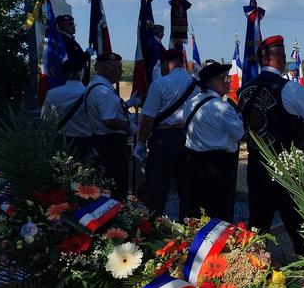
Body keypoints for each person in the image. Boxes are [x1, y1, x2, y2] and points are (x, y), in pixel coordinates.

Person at [238, 35, 304, 256]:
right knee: (298, 224)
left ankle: (254, 272)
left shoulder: (243, 91)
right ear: (278, 58)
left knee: (257, 227)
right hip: (288, 170)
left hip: (257, 168)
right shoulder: (291, 89)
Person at [135, 47, 198, 219]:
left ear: (166, 64)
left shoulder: (160, 84)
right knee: (187, 187)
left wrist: (140, 143)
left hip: (163, 138)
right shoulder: (194, 84)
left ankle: (152, 224)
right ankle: (189, 226)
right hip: (188, 137)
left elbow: (148, 118)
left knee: (157, 185)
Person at [181, 62, 244, 221]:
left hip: (193, 163)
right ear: (209, 82)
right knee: (219, 213)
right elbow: (239, 133)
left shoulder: (191, 102)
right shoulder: (222, 107)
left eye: (227, 77)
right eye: (222, 78)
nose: (228, 81)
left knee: (195, 210)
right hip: (218, 165)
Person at [85, 52, 134, 199]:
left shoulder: (96, 86)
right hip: (111, 144)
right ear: (106, 69)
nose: (121, 71)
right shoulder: (104, 91)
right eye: (118, 68)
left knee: (107, 185)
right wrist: (129, 125)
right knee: (116, 187)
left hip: (101, 141)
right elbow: (109, 121)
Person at [42, 50, 93, 159]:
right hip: (85, 143)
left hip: (60, 142)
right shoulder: (90, 93)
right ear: (81, 72)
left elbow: (45, 119)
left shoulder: (52, 93)